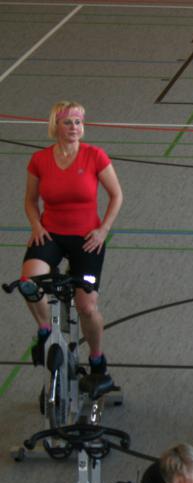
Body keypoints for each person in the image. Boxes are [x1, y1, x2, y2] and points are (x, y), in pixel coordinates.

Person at [22, 100, 123, 381]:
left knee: (87, 307)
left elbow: (116, 195)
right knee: (29, 283)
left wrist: (103, 230)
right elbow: (30, 200)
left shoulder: (94, 156)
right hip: (50, 234)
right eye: (68, 122)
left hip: (87, 239)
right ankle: (45, 330)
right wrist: (36, 225)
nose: (74, 127)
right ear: (55, 126)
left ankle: (97, 359)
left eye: (78, 122)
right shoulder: (40, 160)